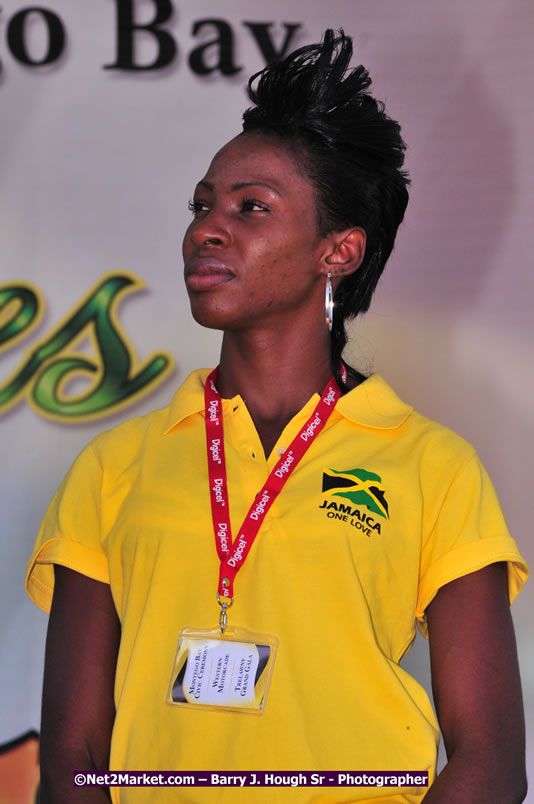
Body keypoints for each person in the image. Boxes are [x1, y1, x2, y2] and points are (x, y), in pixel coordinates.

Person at [26, 30, 528, 804]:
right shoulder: (115, 465)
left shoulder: (434, 466)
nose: (206, 228)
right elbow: (73, 756)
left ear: (339, 252)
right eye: (202, 205)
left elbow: (490, 761)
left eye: (251, 208)